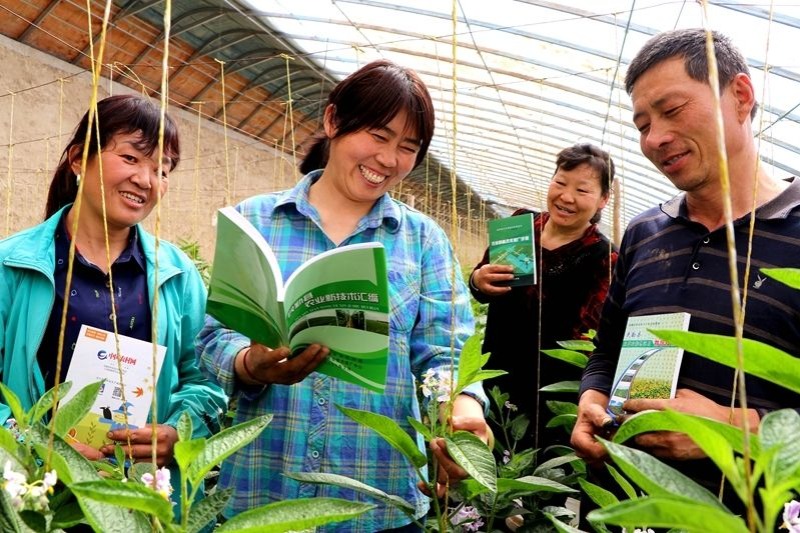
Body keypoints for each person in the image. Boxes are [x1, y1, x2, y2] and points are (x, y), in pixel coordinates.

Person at [197, 59, 491, 532]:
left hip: (378, 498)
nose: (389, 159)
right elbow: (214, 337)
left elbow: (446, 352)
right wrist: (251, 363)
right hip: (263, 490)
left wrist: (463, 410)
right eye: (378, 135)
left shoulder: (423, 240)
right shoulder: (256, 221)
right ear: (333, 121)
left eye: (408, 147)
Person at [571, 28, 800, 512]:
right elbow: (607, 351)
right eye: (642, 124)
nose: (654, 139)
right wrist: (592, 399)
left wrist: (732, 428)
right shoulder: (644, 233)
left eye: (672, 110)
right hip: (630, 505)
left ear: (740, 96)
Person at [0, 94, 228, 509]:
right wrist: (31, 443)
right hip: (33, 494)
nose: (146, 180)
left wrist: (178, 431)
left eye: (162, 169)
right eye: (131, 158)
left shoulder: (178, 274)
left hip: (139, 497)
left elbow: (206, 378)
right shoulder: (12, 265)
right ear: (77, 159)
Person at [470, 143, 617, 452]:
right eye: (560, 182)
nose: (566, 197)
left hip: (552, 397)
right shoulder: (521, 226)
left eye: (582, 190)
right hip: (494, 376)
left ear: (603, 199)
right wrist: (478, 280)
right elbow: (481, 286)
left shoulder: (604, 258)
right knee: (482, 459)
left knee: (539, 471)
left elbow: (589, 339)